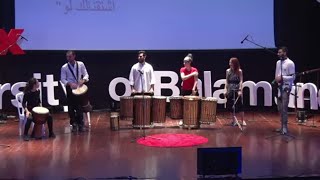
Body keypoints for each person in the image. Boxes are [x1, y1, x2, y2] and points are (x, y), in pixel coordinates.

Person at [61, 50, 89, 132]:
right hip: (70, 88)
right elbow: (62, 79)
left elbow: (86, 74)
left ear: (74, 56)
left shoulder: (80, 64)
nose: (68, 58)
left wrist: (83, 80)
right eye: (67, 57)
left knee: (80, 106)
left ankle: (81, 123)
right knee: (71, 106)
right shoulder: (64, 67)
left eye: (70, 56)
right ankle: (73, 123)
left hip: (79, 87)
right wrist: (69, 83)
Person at [274, 46, 295, 134]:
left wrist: (283, 78)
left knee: (284, 108)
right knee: (279, 108)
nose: (278, 54)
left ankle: (285, 127)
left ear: (285, 53)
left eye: (280, 52)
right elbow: (277, 74)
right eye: (278, 52)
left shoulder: (290, 63)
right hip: (278, 86)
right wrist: (276, 79)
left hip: (285, 87)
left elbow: (293, 77)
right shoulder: (278, 62)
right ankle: (281, 126)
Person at [224, 57, 246, 126]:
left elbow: (241, 81)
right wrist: (225, 89)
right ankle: (234, 120)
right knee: (231, 105)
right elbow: (226, 81)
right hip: (230, 88)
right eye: (229, 62)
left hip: (237, 88)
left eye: (231, 62)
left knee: (240, 105)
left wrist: (240, 90)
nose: (229, 63)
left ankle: (242, 120)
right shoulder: (228, 71)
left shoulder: (239, 71)